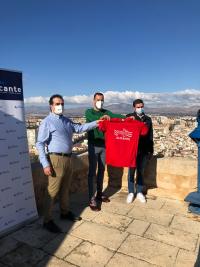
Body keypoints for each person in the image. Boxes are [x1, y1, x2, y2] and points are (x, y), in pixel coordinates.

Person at [36, 94, 99, 233]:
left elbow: (80, 128)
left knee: (65, 188)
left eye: (62, 104)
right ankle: (47, 220)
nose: (60, 106)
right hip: (55, 160)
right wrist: (45, 164)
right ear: (51, 106)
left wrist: (97, 123)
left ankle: (65, 212)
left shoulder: (65, 120)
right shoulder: (47, 122)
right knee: (52, 191)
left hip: (69, 158)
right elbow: (40, 143)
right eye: (57, 104)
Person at [85, 92, 124, 211]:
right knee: (92, 172)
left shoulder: (106, 112)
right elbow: (93, 119)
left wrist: (128, 117)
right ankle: (91, 198)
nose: (100, 102)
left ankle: (99, 193)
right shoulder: (88, 112)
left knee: (101, 171)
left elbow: (117, 115)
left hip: (104, 146)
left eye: (102, 100)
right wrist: (102, 118)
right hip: (93, 146)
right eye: (98, 100)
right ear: (93, 100)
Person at [126, 99, 154, 203]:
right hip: (132, 150)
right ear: (134, 107)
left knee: (141, 172)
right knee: (131, 172)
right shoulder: (129, 117)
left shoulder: (148, 119)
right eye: (138, 107)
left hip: (144, 149)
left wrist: (151, 150)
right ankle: (130, 192)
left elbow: (150, 135)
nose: (140, 108)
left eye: (141, 106)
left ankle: (139, 192)